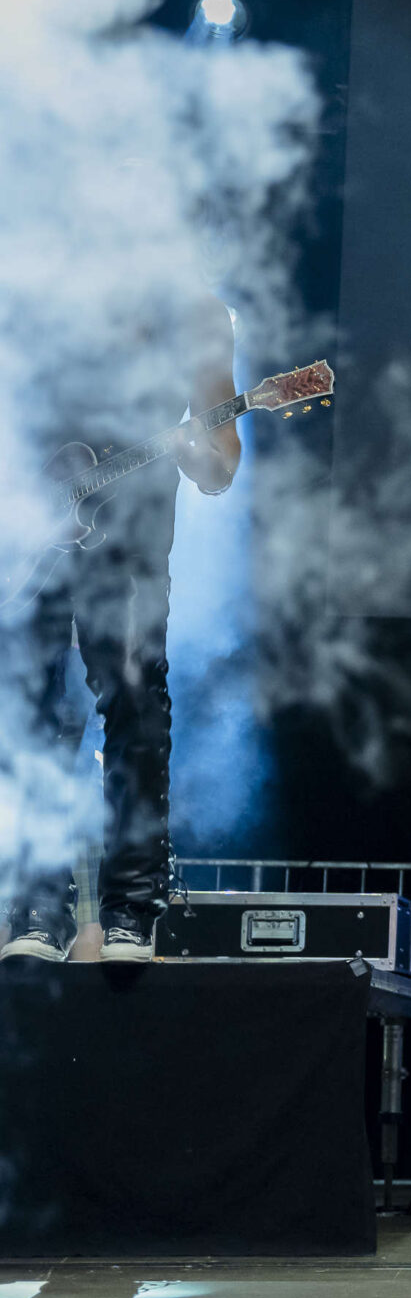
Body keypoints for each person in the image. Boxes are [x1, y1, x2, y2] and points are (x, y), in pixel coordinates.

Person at [2, 292, 238, 963]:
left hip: (131, 538)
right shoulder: (39, 284)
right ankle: (33, 908)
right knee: (32, 709)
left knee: (135, 702)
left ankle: (131, 906)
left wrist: (199, 453)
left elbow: (223, 461)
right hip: (33, 534)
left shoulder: (193, 312)